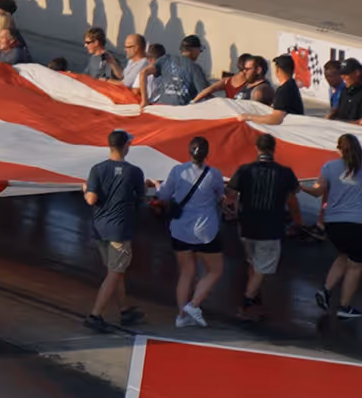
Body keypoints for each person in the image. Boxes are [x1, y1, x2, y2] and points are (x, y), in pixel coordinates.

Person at [302, 133, 362, 319]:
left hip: (334, 224)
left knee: (343, 255)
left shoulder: (329, 167)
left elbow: (317, 193)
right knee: (355, 266)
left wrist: (298, 187)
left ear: (339, 149)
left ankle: (326, 290)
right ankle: (345, 307)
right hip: (361, 224)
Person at [225, 132, 301, 320]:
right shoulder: (285, 173)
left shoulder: (244, 170)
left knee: (253, 262)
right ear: (274, 149)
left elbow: (230, 194)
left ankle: (254, 298)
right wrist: (298, 221)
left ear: (256, 148)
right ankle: (246, 302)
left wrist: (233, 210)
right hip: (271, 227)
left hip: (247, 225)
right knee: (263, 268)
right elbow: (292, 199)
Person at [156, 137, 227, 328]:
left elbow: (163, 195)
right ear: (207, 153)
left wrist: (157, 186)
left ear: (189, 151)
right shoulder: (215, 174)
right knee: (215, 270)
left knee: (186, 272)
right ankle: (194, 304)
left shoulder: (178, 171)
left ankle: (181, 317)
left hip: (180, 230)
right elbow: (221, 195)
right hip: (205, 231)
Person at [83, 130, 149, 333]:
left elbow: (92, 200)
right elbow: (141, 198)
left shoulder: (97, 169)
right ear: (126, 146)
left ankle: (124, 310)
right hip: (120, 230)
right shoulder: (135, 172)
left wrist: (85, 190)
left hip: (100, 229)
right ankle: (96, 314)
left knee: (116, 271)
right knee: (115, 272)